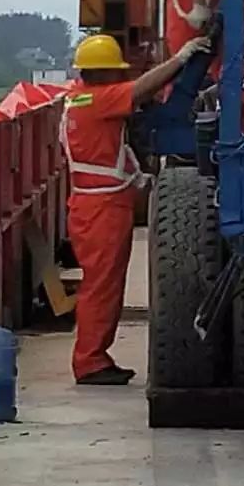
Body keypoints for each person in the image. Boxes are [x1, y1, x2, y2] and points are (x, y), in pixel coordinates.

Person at [61, 31, 211, 385]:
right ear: (102, 74)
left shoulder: (78, 99)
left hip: (94, 203)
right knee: (102, 286)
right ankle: (90, 361)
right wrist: (182, 58)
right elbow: (142, 89)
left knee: (102, 284)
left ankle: (93, 356)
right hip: (102, 208)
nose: (120, 76)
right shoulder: (99, 100)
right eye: (115, 71)